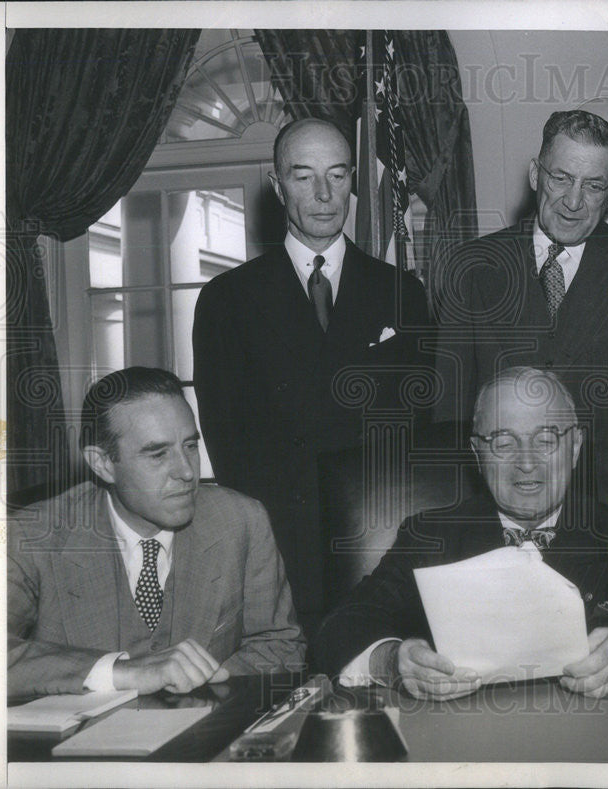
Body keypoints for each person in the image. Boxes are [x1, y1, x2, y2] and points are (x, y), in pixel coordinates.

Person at [317, 367, 608, 700]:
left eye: (546, 440)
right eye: (503, 443)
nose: (526, 463)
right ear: (476, 454)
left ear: (576, 446)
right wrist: (394, 663)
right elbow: (337, 630)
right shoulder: (430, 535)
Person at [193, 118, 432, 637]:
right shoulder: (226, 300)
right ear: (278, 187)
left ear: (353, 181)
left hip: (379, 546)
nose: (324, 195)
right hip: (281, 555)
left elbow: (420, 430)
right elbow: (226, 442)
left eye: (338, 175)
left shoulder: (402, 294)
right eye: (303, 177)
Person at [434, 109, 608, 548]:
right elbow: (451, 415)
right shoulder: (471, 268)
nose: (573, 201)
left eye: (593, 186)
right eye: (560, 178)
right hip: (497, 525)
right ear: (535, 174)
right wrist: (461, 533)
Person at [7, 367, 305, 699]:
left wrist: (211, 678)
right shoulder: (32, 536)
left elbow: (281, 647)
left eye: (190, 446)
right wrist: (120, 672)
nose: (187, 471)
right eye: (158, 454)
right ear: (102, 463)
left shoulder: (241, 521)